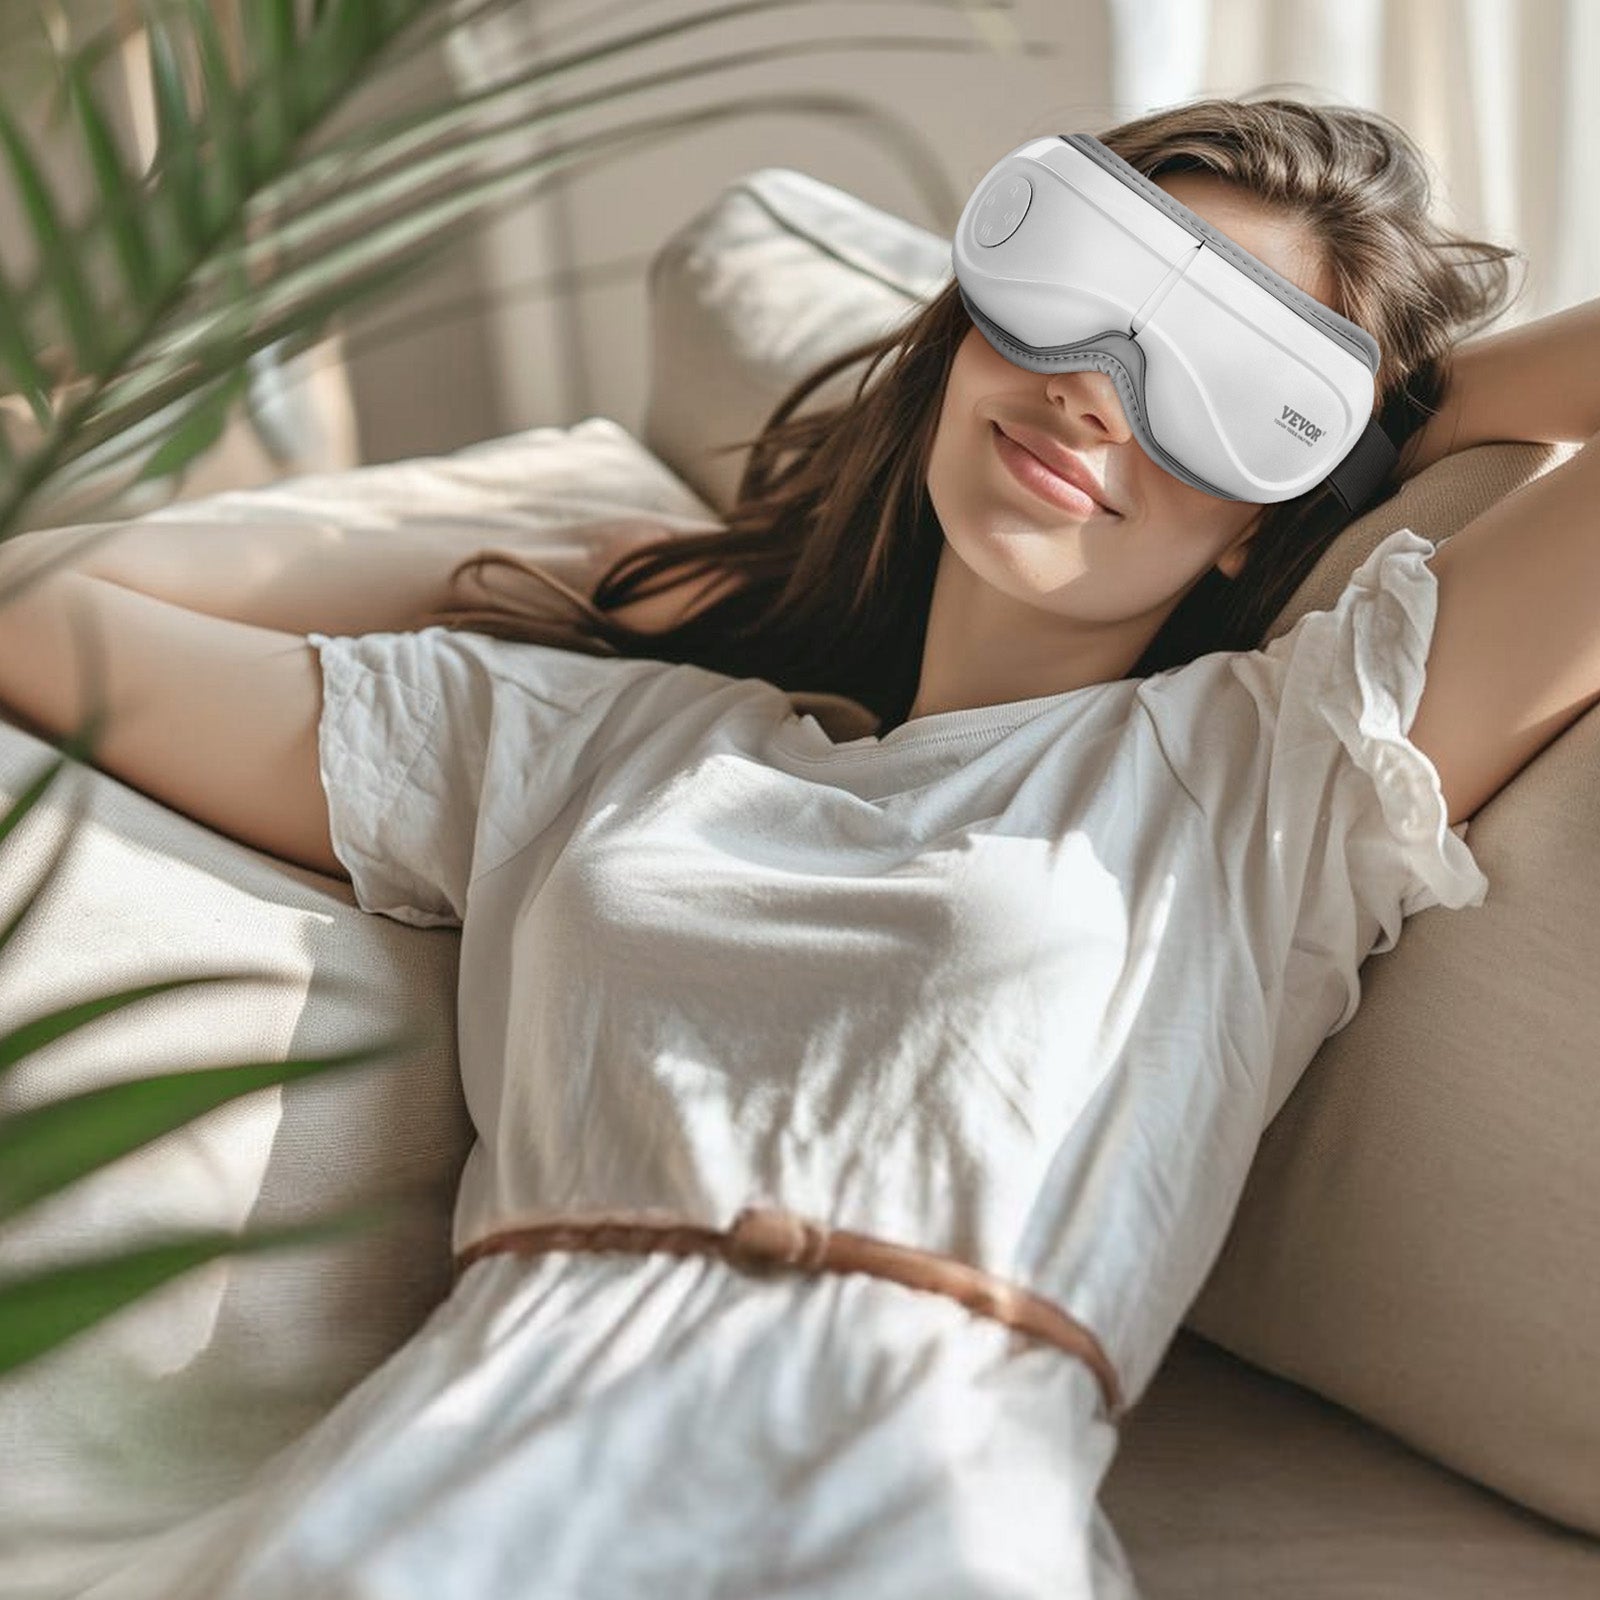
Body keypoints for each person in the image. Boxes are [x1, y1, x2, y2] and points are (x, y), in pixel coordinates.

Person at [5, 94, 1593, 1598]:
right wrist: (597, 564)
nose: (1098, 389)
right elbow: (43, 616)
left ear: (1270, 508)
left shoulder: (1271, 783)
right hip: (439, 1502)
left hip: (919, 1522)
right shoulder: (586, 740)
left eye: (1230, 385)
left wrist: (1405, 417)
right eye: (1088, 292)